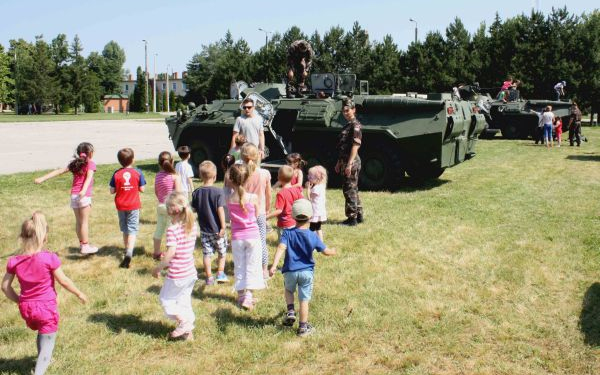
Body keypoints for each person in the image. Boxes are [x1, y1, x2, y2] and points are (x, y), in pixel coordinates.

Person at [2, 212, 88, 374]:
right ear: (44, 237)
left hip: (26, 309)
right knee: (48, 341)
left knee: (42, 333)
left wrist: (20, 300)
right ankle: (41, 366)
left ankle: (44, 357)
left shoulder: (14, 261)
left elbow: (5, 287)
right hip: (46, 308)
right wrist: (79, 293)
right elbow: (64, 281)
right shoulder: (49, 258)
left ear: (22, 236)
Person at [269, 199, 336, 337]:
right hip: (306, 272)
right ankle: (303, 328)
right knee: (304, 300)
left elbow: (281, 247)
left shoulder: (287, 233)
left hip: (290, 271)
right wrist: (333, 251)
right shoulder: (313, 235)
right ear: (310, 217)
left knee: (288, 290)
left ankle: (291, 310)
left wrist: (274, 265)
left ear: (293, 217)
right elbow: (325, 251)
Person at [34, 142, 98, 254]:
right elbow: (88, 178)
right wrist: (83, 190)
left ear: (79, 153)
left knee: (78, 222)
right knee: (84, 222)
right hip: (83, 195)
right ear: (91, 153)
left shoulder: (74, 163)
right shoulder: (91, 164)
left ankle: (82, 244)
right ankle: (86, 246)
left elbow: (59, 171)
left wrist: (42, 178)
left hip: (74, 196)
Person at [152, 192, 197, 341]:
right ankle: (188, 333)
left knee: (167, 300)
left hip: (177, 274)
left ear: (172, 210)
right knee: (184, 301)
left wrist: (159, 267)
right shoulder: (192, 225)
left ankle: (184, 323)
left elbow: (171, 253)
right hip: (190, 272)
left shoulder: (172, 230)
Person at [227, 164, 265, 310]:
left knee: (240, 266)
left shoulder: (229, 198)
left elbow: (231, 217)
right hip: (253, 236)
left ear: (231, 179)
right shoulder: (253, 198)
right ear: (247, 179)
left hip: (237, 237)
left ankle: (241, 295)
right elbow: (256, 216)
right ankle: (248, 297)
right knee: (252, 266)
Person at [191, 161, 228, 286]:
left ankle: (209, 277)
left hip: (205, 230)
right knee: (222, 253)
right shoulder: (218, 192)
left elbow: (194, 209)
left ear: (201, 176)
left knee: (207, 254)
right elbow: (220, 210)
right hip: (218, 230)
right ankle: (220, 273)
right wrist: (223, 226)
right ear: (215, 176)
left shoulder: (196, 192)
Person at [109, 148, 147, 269]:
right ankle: (129, 253)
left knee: (125, 228)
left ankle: (126, 249)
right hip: (133, 205)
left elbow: (112, 191)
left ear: (120, 161)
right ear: (133, 160)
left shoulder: (116, 173)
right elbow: (142, 189)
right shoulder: (138, 172)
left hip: (121, 205)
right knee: (132, 229)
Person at [241, 143, 272, 279]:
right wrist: (267, 207)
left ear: (242, 157)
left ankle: (248, 266)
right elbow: (268, 193)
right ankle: (264, 269)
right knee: (261, 241)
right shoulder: (264, 173)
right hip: (260, 212)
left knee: (246, 240)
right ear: (258, 155)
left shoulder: (240, 173)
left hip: (244, 212)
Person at [335, 99, 364, 226]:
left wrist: (349, 164)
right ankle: (359, 215)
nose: (345, 113)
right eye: (344, 111)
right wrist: (338, 162)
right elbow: (343, 146)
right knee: (353, 188)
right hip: (345, 160)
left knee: (349, 189)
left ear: (354, 110)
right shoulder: (348, 125)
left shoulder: (355, 125)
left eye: (348, 110)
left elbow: (355, 145)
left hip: (351, 162)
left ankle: (352, 219)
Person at [153, 151, 182, 260]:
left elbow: (156, 191)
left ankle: (156, 252)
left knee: (159, 229)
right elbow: (178, 194)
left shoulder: (157, 176)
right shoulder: (175, 176)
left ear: (159, 164)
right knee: (173, 230)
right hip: (171, 207)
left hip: (161, 206)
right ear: (172, 162)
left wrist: (161, 200)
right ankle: (172, 253)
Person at [266, 165, 304, 236]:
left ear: (278, 178)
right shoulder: (296, 190)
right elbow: (302, 202)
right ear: (292, 177)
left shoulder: (281, 193)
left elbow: (279, 211)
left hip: (284, 224)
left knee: (283, 245)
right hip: (296, 222)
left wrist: (266, 217)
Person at [305, 165, 328, 241]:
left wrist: (308, 189)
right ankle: (320, 243)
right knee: (318, 228)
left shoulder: (316, 188)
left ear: (318, 178)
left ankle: (311, 243)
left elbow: (309, 198)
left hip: (315, 212)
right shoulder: (321, 185)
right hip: (320, 211)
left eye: (311, 177)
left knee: (311, 229)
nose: (308, 178)